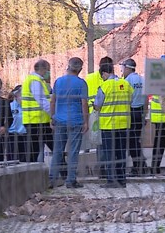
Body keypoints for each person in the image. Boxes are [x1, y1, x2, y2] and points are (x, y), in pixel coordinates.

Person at [49, 57, 89, 189]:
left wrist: (52, 117)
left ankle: (51, 180)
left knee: (58, 151)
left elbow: (53, 101)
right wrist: (86, 121)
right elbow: (84, 104)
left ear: (68, 66)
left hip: (60, 120)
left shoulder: (58, 82)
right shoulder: (81, 83)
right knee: (73, 152)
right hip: (76, 121)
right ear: (80, 69)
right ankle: (71, 180)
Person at [94, 63, 133, 188]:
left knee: (110, 153)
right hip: (124, 124)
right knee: (121, 153)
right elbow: (130, 100)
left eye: (102, 76)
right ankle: (122, 180)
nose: (103, 78)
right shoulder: (126, 84)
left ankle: (111, 180)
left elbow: (98, 105)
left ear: (105, 73)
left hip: (109, 125)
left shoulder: (105, 86)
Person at [120, 58, 149, 176]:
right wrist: (145, 114)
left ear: (127, 68)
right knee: (135, 140)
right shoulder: (142, 80)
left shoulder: (127, 81)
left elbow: (126, 98)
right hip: (140, 112)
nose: (122, 71)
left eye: (123, 68)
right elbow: (146, 98)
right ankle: (140, 164)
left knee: (132, 142)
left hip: (131, 112)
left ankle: (139, 166)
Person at [85, 56, 113, 178]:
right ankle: (106, 169)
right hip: (106, 115)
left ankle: (102, 169)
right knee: (108, 143)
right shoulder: (113, 81)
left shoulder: (89, 78)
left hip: (93, 115)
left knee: (99, 143)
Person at [22, 59, 54, 162]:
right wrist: (54, 114)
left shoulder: (37, 81)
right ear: (43, 69)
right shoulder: (35, 81)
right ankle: (64, 173)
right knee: (34, 151)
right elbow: (42, 101)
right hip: (35, 122)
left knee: (36, 151)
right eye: (48, 70)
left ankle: (64, 172)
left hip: (38, 121)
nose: (49, 73)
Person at [7, 85, 27, 162]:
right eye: (22, 95)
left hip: (25, 135)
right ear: (16, 95)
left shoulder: (28, 107)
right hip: (12, 135)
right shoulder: (10, 106)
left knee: (24, 159)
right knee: (12, 159)